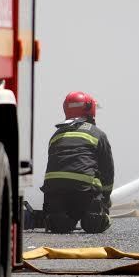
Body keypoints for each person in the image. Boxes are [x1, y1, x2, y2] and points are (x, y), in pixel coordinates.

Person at [41, 91, 114, 234]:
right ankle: (93, 215)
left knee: (59, 226)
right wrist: (105, 200)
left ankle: (59, 217)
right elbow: (107, 171)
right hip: (85, 193)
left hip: (55, 193)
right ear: (90, 109)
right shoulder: (97, 133)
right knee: (95, 224)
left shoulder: (56, 134)